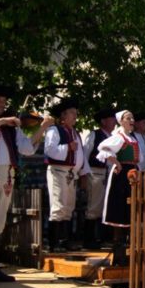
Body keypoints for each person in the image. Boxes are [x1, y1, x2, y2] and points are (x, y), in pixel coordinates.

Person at [0, 85, 54, 285]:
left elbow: (27, 149)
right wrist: (5, 120)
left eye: (4, 101)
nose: (2, 104)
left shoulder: (11, 128)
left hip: (6, 176)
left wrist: (42, 127)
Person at [44, 98, 91, 252]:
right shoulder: (54, 130)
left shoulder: (75, 133)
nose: (75, 116)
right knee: (58, 206)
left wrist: (83, 174)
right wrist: (67, 147)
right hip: (58, 172)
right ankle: (54, 243)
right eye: (71, 113)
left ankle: (65, 240)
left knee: (69, 207)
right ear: (63, 115)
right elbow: (50, 150)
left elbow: (81, 156)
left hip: (71, 174)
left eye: (76, 113)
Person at [96, 110, 141, 266]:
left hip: (133, 175)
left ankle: (128, 255)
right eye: (128, 118)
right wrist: (116, 162)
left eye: (132, 117)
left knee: (131, 213)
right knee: (120, 212)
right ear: (121, 121)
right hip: (122, 177)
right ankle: (119, 255)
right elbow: (102, 148)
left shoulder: (132, 138)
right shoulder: (118, 137)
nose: (132, 120)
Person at [82, 107, 116, 250]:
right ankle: (88, 239)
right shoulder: (94, 135)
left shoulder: (113, 138)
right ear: (103, 121)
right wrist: (83, 175)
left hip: (109, 173)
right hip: (95, 172)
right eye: (111, 118)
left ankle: (102, 238)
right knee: (94, 206)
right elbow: (84, 154)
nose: (114, 121)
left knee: (105, 206)